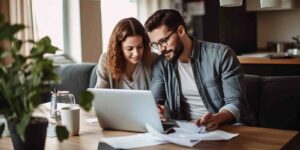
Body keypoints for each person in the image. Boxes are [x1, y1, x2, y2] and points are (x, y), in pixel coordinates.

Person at [145, 9, 255, 131]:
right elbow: (155, 101)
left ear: (181, 31)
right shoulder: (161, 64)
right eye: (156, 44)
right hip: (185, 130)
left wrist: (216, 118)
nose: (161, 49)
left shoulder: (221, 55)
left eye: (163, 41)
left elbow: (236, 103)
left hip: (227, 127)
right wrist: (157, 110)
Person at [95, 17, 154, 90]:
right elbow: (100, 94)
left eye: (140, 46)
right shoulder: (105, 60)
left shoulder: (153, 60)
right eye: (129, 48)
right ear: (118, 48)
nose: (136, 53)